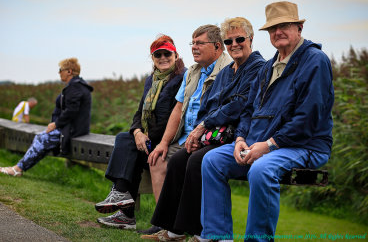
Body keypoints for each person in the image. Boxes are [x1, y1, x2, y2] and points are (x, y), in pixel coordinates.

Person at [200, 1, 334, 241]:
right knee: (212, 160)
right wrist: (241, 138)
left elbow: (308, 118)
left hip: (304, 145)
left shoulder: (315, 61)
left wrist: (269, 145)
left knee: (261, 170)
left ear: (299, 28)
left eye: (284, 26)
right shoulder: (268, 66)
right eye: (273, 28)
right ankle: (217, 236)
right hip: (259, 142)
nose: (278, 32)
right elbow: (249, 110)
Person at [144, 18, 265, 241]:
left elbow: (239, 104)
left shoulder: (258, 67)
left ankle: (199, 231)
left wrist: (202, 128)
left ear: (251, 39)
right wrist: (200, 132)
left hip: (238, 136)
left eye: (239, 39)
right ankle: (174, 229)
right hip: (215, 134)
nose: (234, 44)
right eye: (230, 40)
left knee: (196, 161)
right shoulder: (229, 71)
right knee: (180, 159)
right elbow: (208, 104)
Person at [142, 24, 232, 235]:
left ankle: (186, 228)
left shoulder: (227, 71)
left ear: (217, 46)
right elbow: (179, 107)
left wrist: (199, 135)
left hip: (209, 138)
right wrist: (164, 143)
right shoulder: (193, 71)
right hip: (185, 136)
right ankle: (164, 223)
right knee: (157, 158)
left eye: (200, 43)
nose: (194, 47)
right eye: (193, 43)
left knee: (188, 162)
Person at [94, 35, 186, 230]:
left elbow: (173, 117)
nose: (163, 58)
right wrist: (137, 132)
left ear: (176, 55)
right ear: (152, 58)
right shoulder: (150, 80)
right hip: (149, 139)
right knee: (127, 139)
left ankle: (124, 209)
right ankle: (123, 204)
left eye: (167, 54)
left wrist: (147, 137)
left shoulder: (182, 78)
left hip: (168, 141)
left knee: (129, 147)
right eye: (157, 55)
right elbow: (139, 112)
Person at [0, 57, 93, 177]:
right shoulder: (77, 85)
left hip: (72, 130)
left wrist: (56, 124)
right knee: (41, 139)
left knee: (42, 139)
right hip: (71, 128)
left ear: (69, 71)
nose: (59, 73)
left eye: (60, 70)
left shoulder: (75, 87)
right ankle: (19, 168)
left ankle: (17, 169)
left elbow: (71, 111)